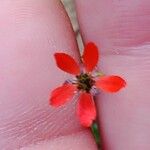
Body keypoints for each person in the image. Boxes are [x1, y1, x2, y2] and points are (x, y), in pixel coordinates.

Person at [0, 0, 149, 149]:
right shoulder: (80, 83)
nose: (84, 81)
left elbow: (91, 53)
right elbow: (59, 97)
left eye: (86, 80)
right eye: (84, 80)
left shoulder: (91, 78)